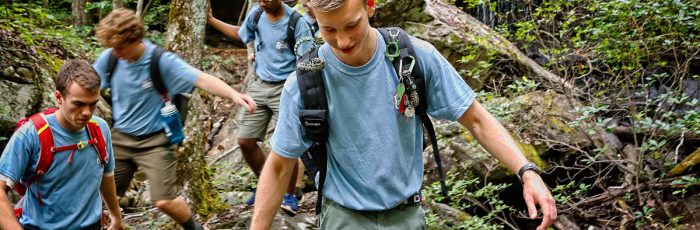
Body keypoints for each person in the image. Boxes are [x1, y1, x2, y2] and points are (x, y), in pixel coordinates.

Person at [249, 0, 558, 229]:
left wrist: (527, 172)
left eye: (352, 24)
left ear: (370, 6)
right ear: (312, 17)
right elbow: (278, 168)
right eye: (328, 30)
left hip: (408, 216)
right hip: (343, 217)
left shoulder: (415, 58)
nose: (343, 42)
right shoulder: (304, 83)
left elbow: (475, 118)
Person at [92, 8, 256, 230]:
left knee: (164, 200)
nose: (117, 53)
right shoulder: (110, 59)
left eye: (121, 47)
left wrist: (234, 94)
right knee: (100, 193)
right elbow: (89, 84)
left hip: (156, 141)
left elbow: (201, 78)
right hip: (120, 138)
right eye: (113, 48)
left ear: (136, 39)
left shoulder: (160, 61)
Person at [207, 0, 313, 213]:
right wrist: (211, 20)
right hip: (260, 85)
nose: (263, 3)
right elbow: (241, 33)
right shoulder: (256, 15)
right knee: (245, 140)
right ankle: (267, 185)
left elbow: (307, 58)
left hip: (287, 86)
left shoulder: (296, 21)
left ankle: (289, 195)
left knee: (286, 144)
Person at [0, 60, 125, 230]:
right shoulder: (31, 134)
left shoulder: (100, 129)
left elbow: (106, 175)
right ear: (59, 98)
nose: (87, 112)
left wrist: (115, 216)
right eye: (78, 104)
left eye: (93, 104)